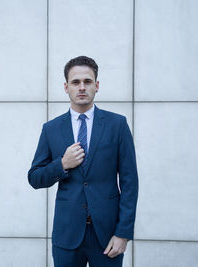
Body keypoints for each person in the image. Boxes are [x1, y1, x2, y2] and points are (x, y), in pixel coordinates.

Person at [28, 56, 138, 267]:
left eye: (87, 82)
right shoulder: (51, 129)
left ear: (96, 86)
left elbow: (130, 183)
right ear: (66, 87)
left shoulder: (117, 125)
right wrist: (61, 164)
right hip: (67, 235)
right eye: (75, 82)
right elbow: (35, 177)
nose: (81, 87)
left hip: (108, 236)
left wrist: (123, 233)